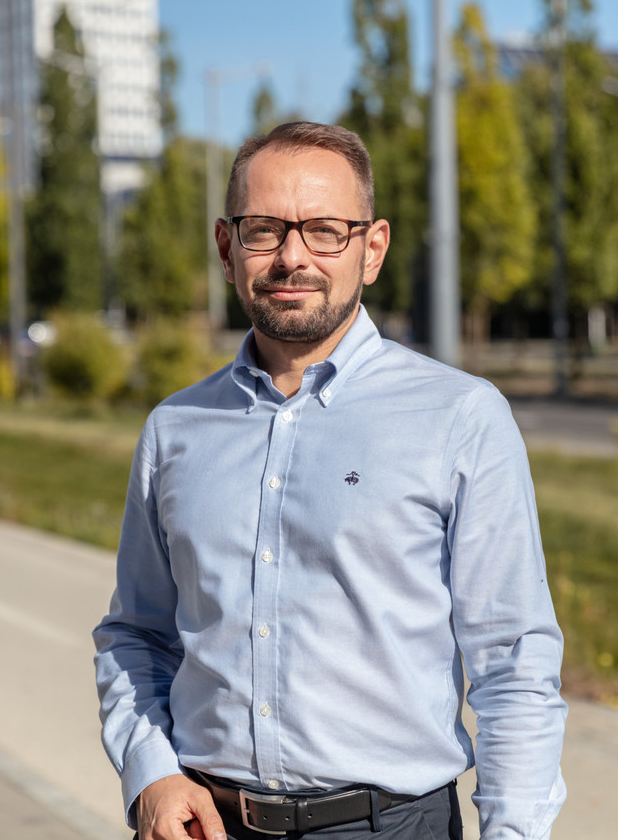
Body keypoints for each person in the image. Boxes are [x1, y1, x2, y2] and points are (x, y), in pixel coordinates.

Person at [94, 121, 567, 840]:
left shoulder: (460, 418)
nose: (292, 257)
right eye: (263, 231)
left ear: (371, 249)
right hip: (204, 826)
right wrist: (151, 773)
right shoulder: (175, 427)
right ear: (226, 249)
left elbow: (515, 665)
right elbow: (136, 634)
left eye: (324, 231)